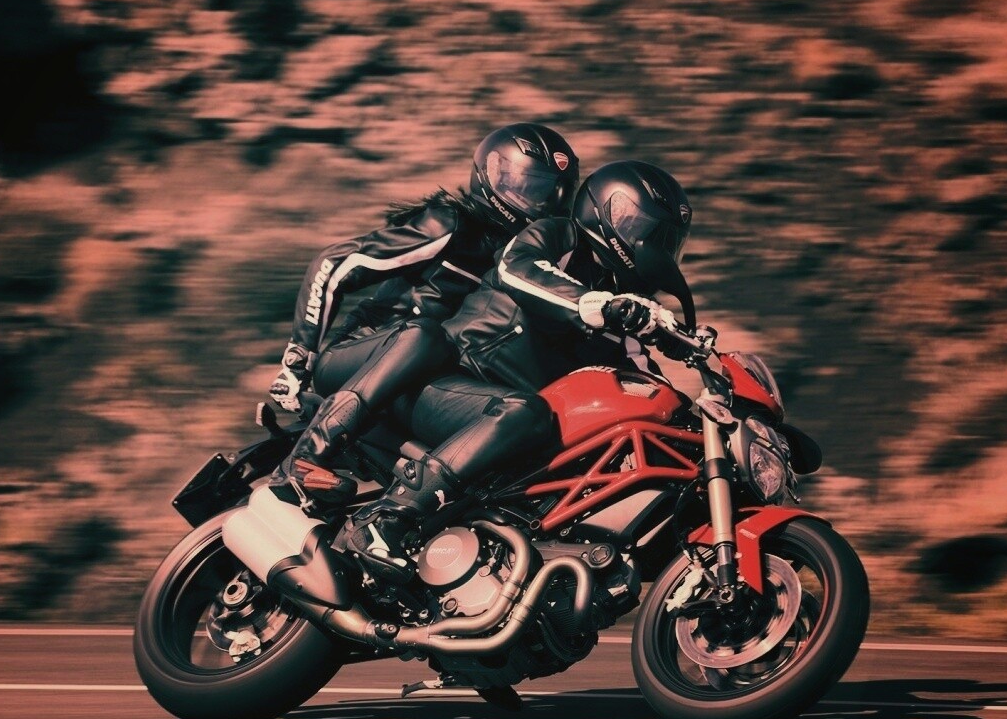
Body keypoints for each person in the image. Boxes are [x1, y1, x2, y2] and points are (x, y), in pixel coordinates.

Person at [337, 160, 696, 580]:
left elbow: (646, 386)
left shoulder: (623, 310)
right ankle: (385, 519)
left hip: (500, 422)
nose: (650, 245)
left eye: (665, 240)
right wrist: (594, 304)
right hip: (445, 382)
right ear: (608, 213)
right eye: (643, 229)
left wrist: (698, 427)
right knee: (524, 411)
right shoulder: (557, 238)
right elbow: (519, 271)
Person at [267, 123, 581, 500]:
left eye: (547, 192)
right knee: (427, 334)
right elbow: (334, 264)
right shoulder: (452, 225)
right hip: (360, 359)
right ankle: (304, 458)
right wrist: (298, 357)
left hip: (416, 383)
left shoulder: (533, 261)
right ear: (491, 173)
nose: (537, 203)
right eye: (525, 186)